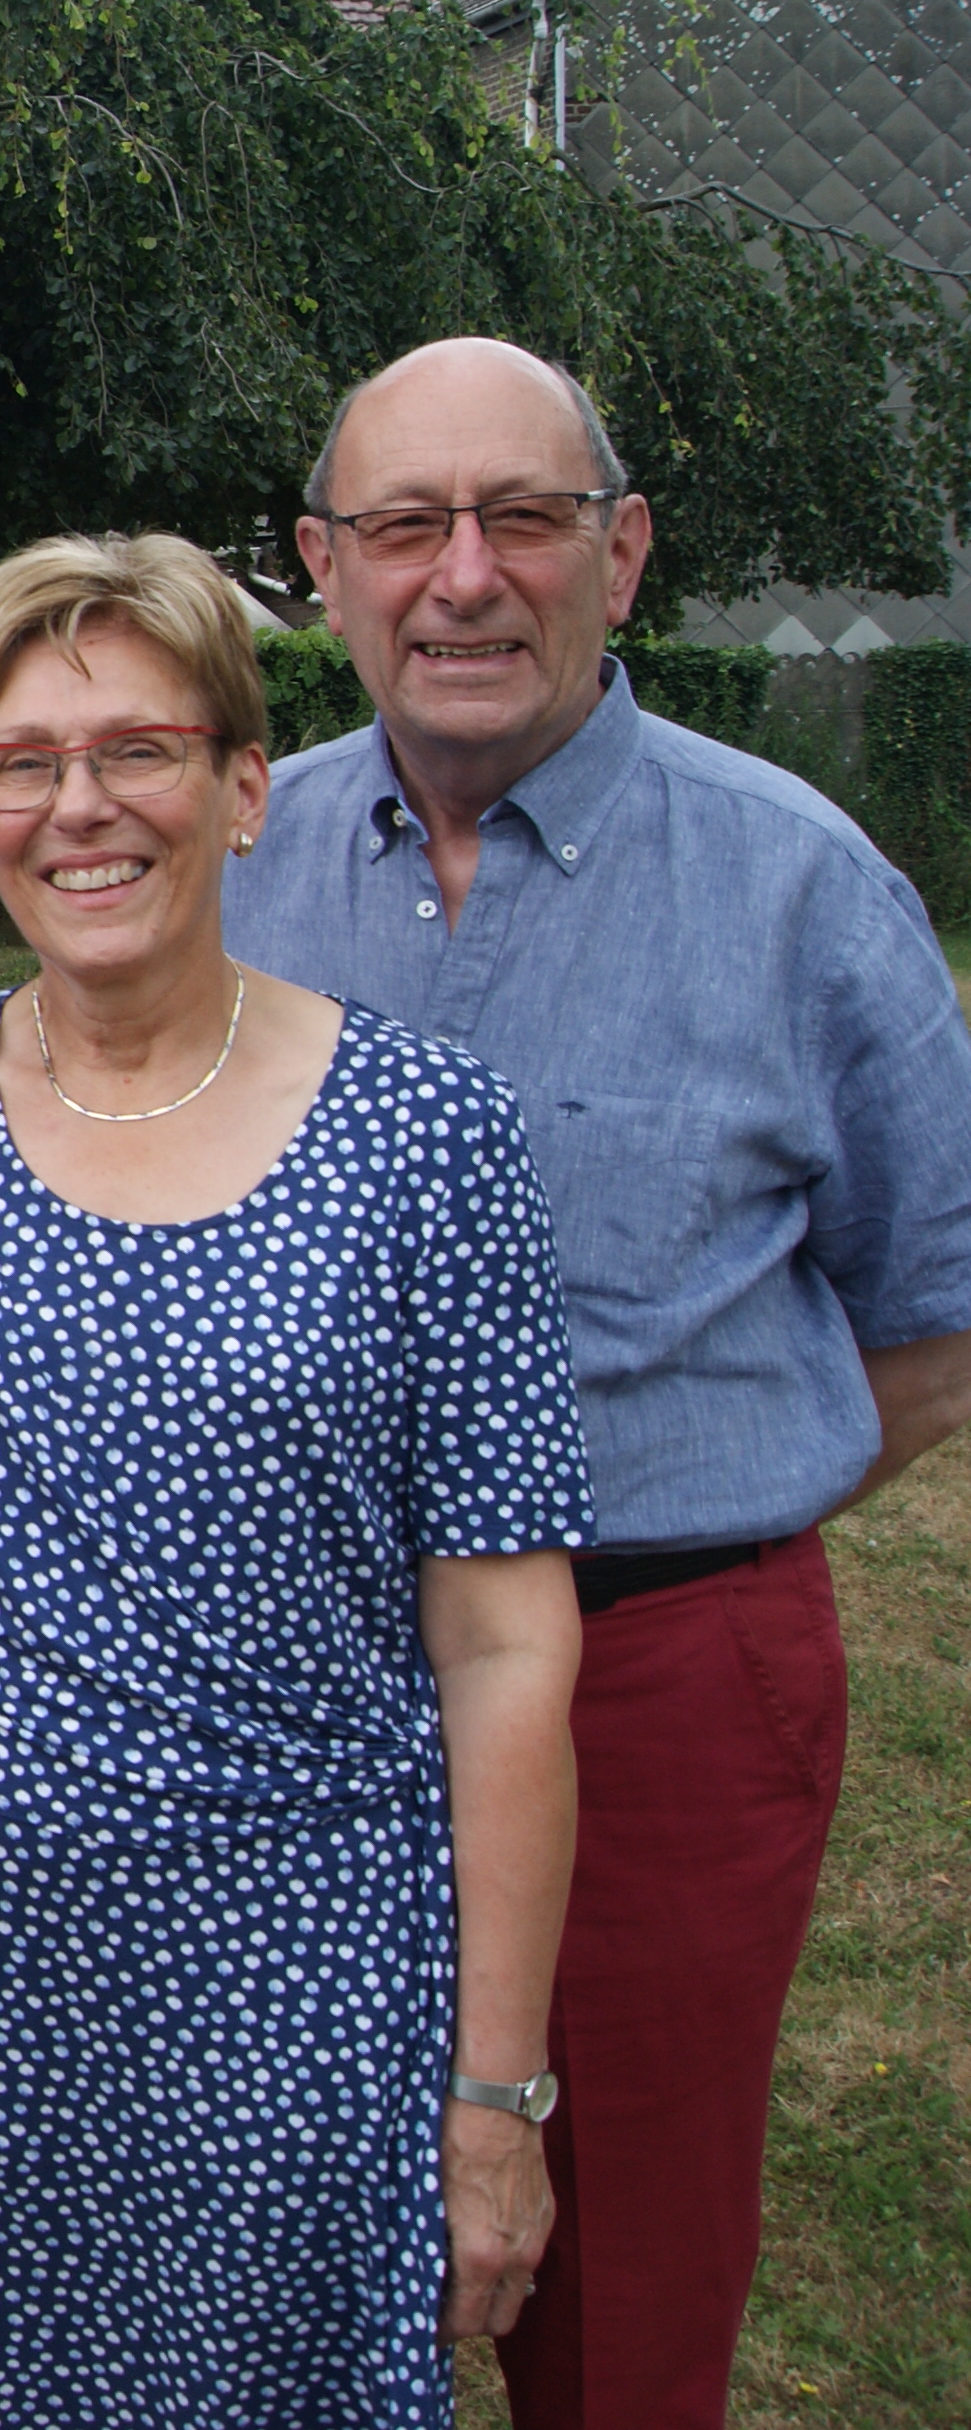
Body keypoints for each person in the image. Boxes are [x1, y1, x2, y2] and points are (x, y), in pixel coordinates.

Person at [0, 532, 593, 2430]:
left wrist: (494, 2088)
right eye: (17, 762)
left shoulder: (426, 1140)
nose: (75, 808)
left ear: (245, 785)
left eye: (137, 750)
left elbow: (508, 1643)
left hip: (292, 1977)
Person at [227, 337, 971, 2429]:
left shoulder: (799, 886)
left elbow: (924, 1325)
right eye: (401, 527)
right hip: (294, 1676)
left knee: (619, 2276)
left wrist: (663, 1516)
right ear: (321, 568)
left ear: (620, 555)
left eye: (522, 519)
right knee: (273, 2224)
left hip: (661, 1667)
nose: (462, 577)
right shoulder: (225, 861)